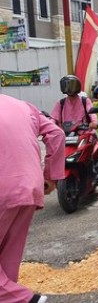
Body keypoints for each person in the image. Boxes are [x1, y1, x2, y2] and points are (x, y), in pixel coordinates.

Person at [0, 94, 65, 303]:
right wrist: (50, 176)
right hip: (29, 187)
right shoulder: (22, 105)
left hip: (3, 189)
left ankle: (28, 300)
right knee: (7, 262)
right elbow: (56, 134)